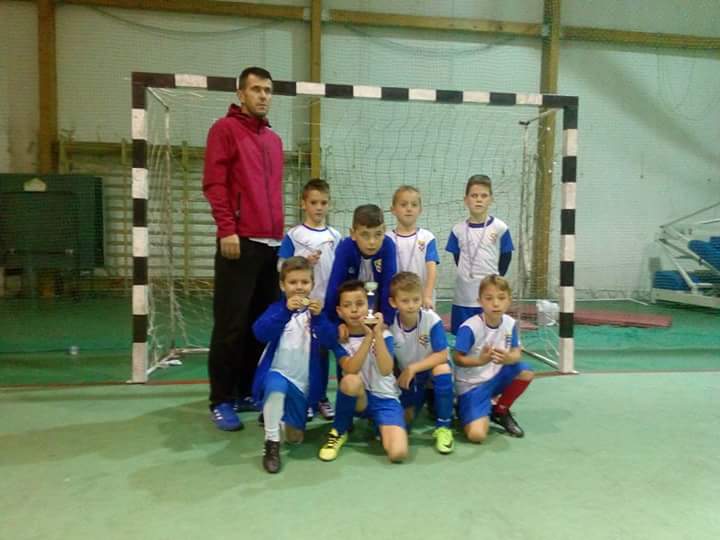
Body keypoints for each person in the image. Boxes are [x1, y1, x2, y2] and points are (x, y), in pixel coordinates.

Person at [203, 66, 284, 431]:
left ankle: (246, 390)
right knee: (230, 325)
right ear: (241, 94)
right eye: (256, 89)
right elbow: (215, 184)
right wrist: (227, 229)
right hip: (239, 241)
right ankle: (220, 399)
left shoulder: (274, 140)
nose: (263, 96)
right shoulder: (224, 130)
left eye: (267, 90)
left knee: (259, 325)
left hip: (271, 245)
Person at [251, 257, 337, 473]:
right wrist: (285, 312)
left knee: (295, 439)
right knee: (275, 388)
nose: (299, 287)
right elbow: (260, 332)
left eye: (304, 282)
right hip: (278, 372)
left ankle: (277, 416)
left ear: (312, 284)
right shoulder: (276, 309)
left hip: (302, 383)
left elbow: (331, 340)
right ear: (282, 285)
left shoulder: (317, 312)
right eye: (292, 282)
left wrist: (319, 319)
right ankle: (271, 442)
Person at [318, 280, 407, 463]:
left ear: (369, 306)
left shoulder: (385, 335)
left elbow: (386, 369)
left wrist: (377, 335)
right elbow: (351, 368)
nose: (354, 310)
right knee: (350, 380)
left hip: (385, 399)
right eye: (347, 305)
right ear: (339, 312)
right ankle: (339, 431)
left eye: (360, 304)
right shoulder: (340, 340)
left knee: (398, 453)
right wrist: (368, 338)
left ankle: (378, 423)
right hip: (359, 399)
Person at [277, 179, 341, 421]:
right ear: (303, 204)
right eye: (314, 202)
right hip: (299, 308)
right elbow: (281, 266)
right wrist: (304, 260)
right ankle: (303, 398)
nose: (319, 207)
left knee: (323, 353)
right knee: (302, 354)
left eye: (323, 202)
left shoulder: (335, 235)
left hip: (324, 307)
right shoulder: (294, 235)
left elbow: (339, 269)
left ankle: (321, 397)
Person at [453, 275, 534, 442]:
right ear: (480, 301)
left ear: (509, 300)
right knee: (477, 435)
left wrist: (507, 358)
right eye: (489, 298)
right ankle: (464, 406)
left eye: (501, 298)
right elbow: (457, 358)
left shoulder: (510, 323)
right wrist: (480, 361)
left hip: (495, 379)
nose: (495, 303)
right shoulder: (469, 327)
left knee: (525, 371)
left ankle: (501, 410)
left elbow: (516, 353)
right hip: (472, 386)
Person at [388, 272, 454, 454]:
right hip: (409, 379)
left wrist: (413, 368)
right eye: (405, 301)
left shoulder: (431, 319)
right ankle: (422, 399)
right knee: (403, 424)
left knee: (442, 369)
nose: (411, 305)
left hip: (429, 371)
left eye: (416, 300)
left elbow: (442, 354)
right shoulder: (389, 324)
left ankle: (444, 426)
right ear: (393, 302)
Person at [445, 174, 514, 335]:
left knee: (489, 335)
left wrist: (495, 279)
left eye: (484, 196)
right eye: (474, 196)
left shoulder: (500, 228)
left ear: (491, 199)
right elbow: (457, 257)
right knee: (463, 336)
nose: (478, 200)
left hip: (490, 295)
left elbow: (506, 256)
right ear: (466, 200)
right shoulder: (457, 230)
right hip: (464, 295)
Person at [323, 204, 397, 325]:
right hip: (351, 310)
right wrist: (335, 323)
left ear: (384, 230)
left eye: (378, 234)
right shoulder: (345, 248)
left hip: (377, 309)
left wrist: (387, 320)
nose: (372, 242)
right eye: (365, 235)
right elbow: (335, 286)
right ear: (353, 233)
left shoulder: (388, 246)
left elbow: (388, 286)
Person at [387, 186, 440, 310]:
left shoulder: (427, 237)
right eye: (403, 204)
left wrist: (427, 296)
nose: (409, 208)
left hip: (420, 300)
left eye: (414, 205)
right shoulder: (387, 238)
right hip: (397, 300)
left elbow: (431, 270)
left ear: (420, 210)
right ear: (393, 210)